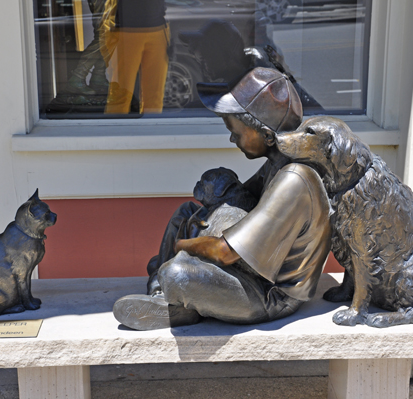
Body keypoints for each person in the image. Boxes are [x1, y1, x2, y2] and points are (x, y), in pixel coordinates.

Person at [113, 67, 331, 330]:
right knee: (186, 212)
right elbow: (235, 197)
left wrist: (183, 244)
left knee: (177, 272)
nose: (231, 138)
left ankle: (175, 292)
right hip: (253, 269)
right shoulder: (276, 165)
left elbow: (225, 252)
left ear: (266, 135)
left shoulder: (293, 178)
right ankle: (163, 292)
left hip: (269, 294)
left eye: (236, 131)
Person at [100, 0, 170, 114]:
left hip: (156, 27)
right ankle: (114, 130)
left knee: (154, 97)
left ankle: (151, 129)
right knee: (121, 96)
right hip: (125, 29)